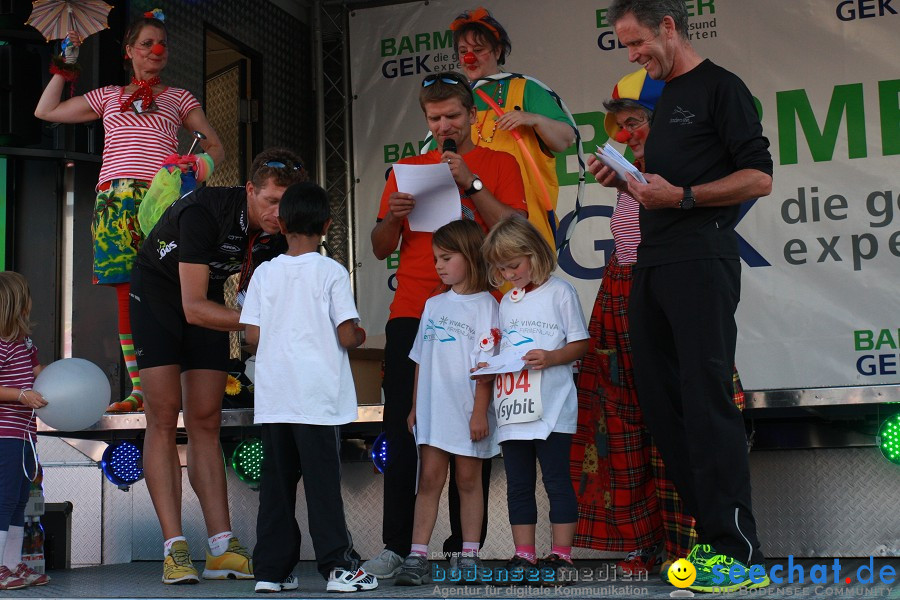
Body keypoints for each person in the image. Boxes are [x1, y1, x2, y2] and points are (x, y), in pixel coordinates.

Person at [599, 0, 774, 592]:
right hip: (651, 265)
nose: (632, 56)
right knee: (660, 405)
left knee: (706, 399)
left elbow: (760, 177)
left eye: (636, 43)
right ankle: (715, 538)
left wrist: (684, 198)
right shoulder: (659, 98)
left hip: (702, 259)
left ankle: (736, 550)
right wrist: (625, 172)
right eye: (624, 47)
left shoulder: (720, 87)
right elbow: (661, 181)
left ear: (667, 27)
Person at [570, 69, 746, 577]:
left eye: (637, 122)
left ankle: (705, 540)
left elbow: (744, 189)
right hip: (623, 290)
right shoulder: (631, 169)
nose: (627, 133)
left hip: (677, 281)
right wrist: (620, 166)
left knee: (695, 411)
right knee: (626, 422)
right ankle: (644, 542)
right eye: (621, 125)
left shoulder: (684, 169)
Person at [364, 70, 526, 579]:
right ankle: (398, 545)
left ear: (472, 117)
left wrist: (470, 183)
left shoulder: (499, 163)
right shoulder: (407, 168)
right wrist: (392, 217)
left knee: (470, 433)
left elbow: (515, 230)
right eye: (434, 118)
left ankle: (463, 549)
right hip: (414, 311)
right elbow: (379, 246)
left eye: (452, 115)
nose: (443, 124)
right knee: (403, 429)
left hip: (479, 310)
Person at [130, 148, 306, 585]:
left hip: (207, 296)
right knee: (164, 417)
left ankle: (221, 547)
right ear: (250, 189)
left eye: (288, 203)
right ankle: (174, 548)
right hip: (160, 295)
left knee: (207, 418)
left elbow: (258, 301)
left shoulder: (279, 229)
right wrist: (269, 324)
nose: (278, 212)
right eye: (270, 201)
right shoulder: (205, 210)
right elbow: (193, 308)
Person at [34, 9, 223, 412]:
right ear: (129, 51)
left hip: (160, 201)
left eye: (162, 44)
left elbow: (215, 146)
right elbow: (45, 111)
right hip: (114, 205)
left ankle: (183, 384)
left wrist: (196, 167)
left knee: (174, 286)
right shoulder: (108, 97)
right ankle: (140, 390)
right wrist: (65, 66)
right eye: (146, 43)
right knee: (127, 293)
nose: (156, 50)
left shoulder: (179, 98)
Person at [240, 182, 378, 594]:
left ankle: (270, 571)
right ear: (328, 225)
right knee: (322, 489)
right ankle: (338, 567)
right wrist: (359, 335)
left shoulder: (265, 272)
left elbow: (250, 336)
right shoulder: (332, 271)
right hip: (317, 400)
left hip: (275, 398)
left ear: (280, 225)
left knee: (276, 490)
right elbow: (345, 334)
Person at [478, 215, 589, 581]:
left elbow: (581, 343)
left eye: (515, 264)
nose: (510, 273)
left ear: (535, 254)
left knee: (557, 479)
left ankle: (561, 555)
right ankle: (523, 555)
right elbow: (504, 345)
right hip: (513, 407)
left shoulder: (560, 292)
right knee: (519, 483)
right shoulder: (506, 301)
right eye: (502, 268)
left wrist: (551, 357)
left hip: (553, 406)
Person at [394, 219, 499, 586]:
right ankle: (417, 555)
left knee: (469, 481)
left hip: (468, 411)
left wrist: (479, 411)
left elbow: (486, 366)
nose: (438, 265)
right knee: (429, 480)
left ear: (470, 257)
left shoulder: (488, 305)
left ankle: (469, 555)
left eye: (446, 257)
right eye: (436, 258)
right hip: (433, 412)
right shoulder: (434, 304)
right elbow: (420, 360)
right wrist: (413, 407)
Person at [450, 7, 577, 250]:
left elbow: (566, 139)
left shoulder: (525, 89)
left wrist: (534, 119)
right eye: (463, 51)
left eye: (478, 50)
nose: (469, 58)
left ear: (497, 51)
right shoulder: (456, 100)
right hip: (471, 231)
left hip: (523, 229)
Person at [0, 272, 49, 589]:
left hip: (25, 434)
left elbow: (37, 373)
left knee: (19, 500)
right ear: (16, 303)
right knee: (4, 499)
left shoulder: (25, 343)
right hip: (5, 434)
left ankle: (13, 564)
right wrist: (20, 395)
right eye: (28, 297)